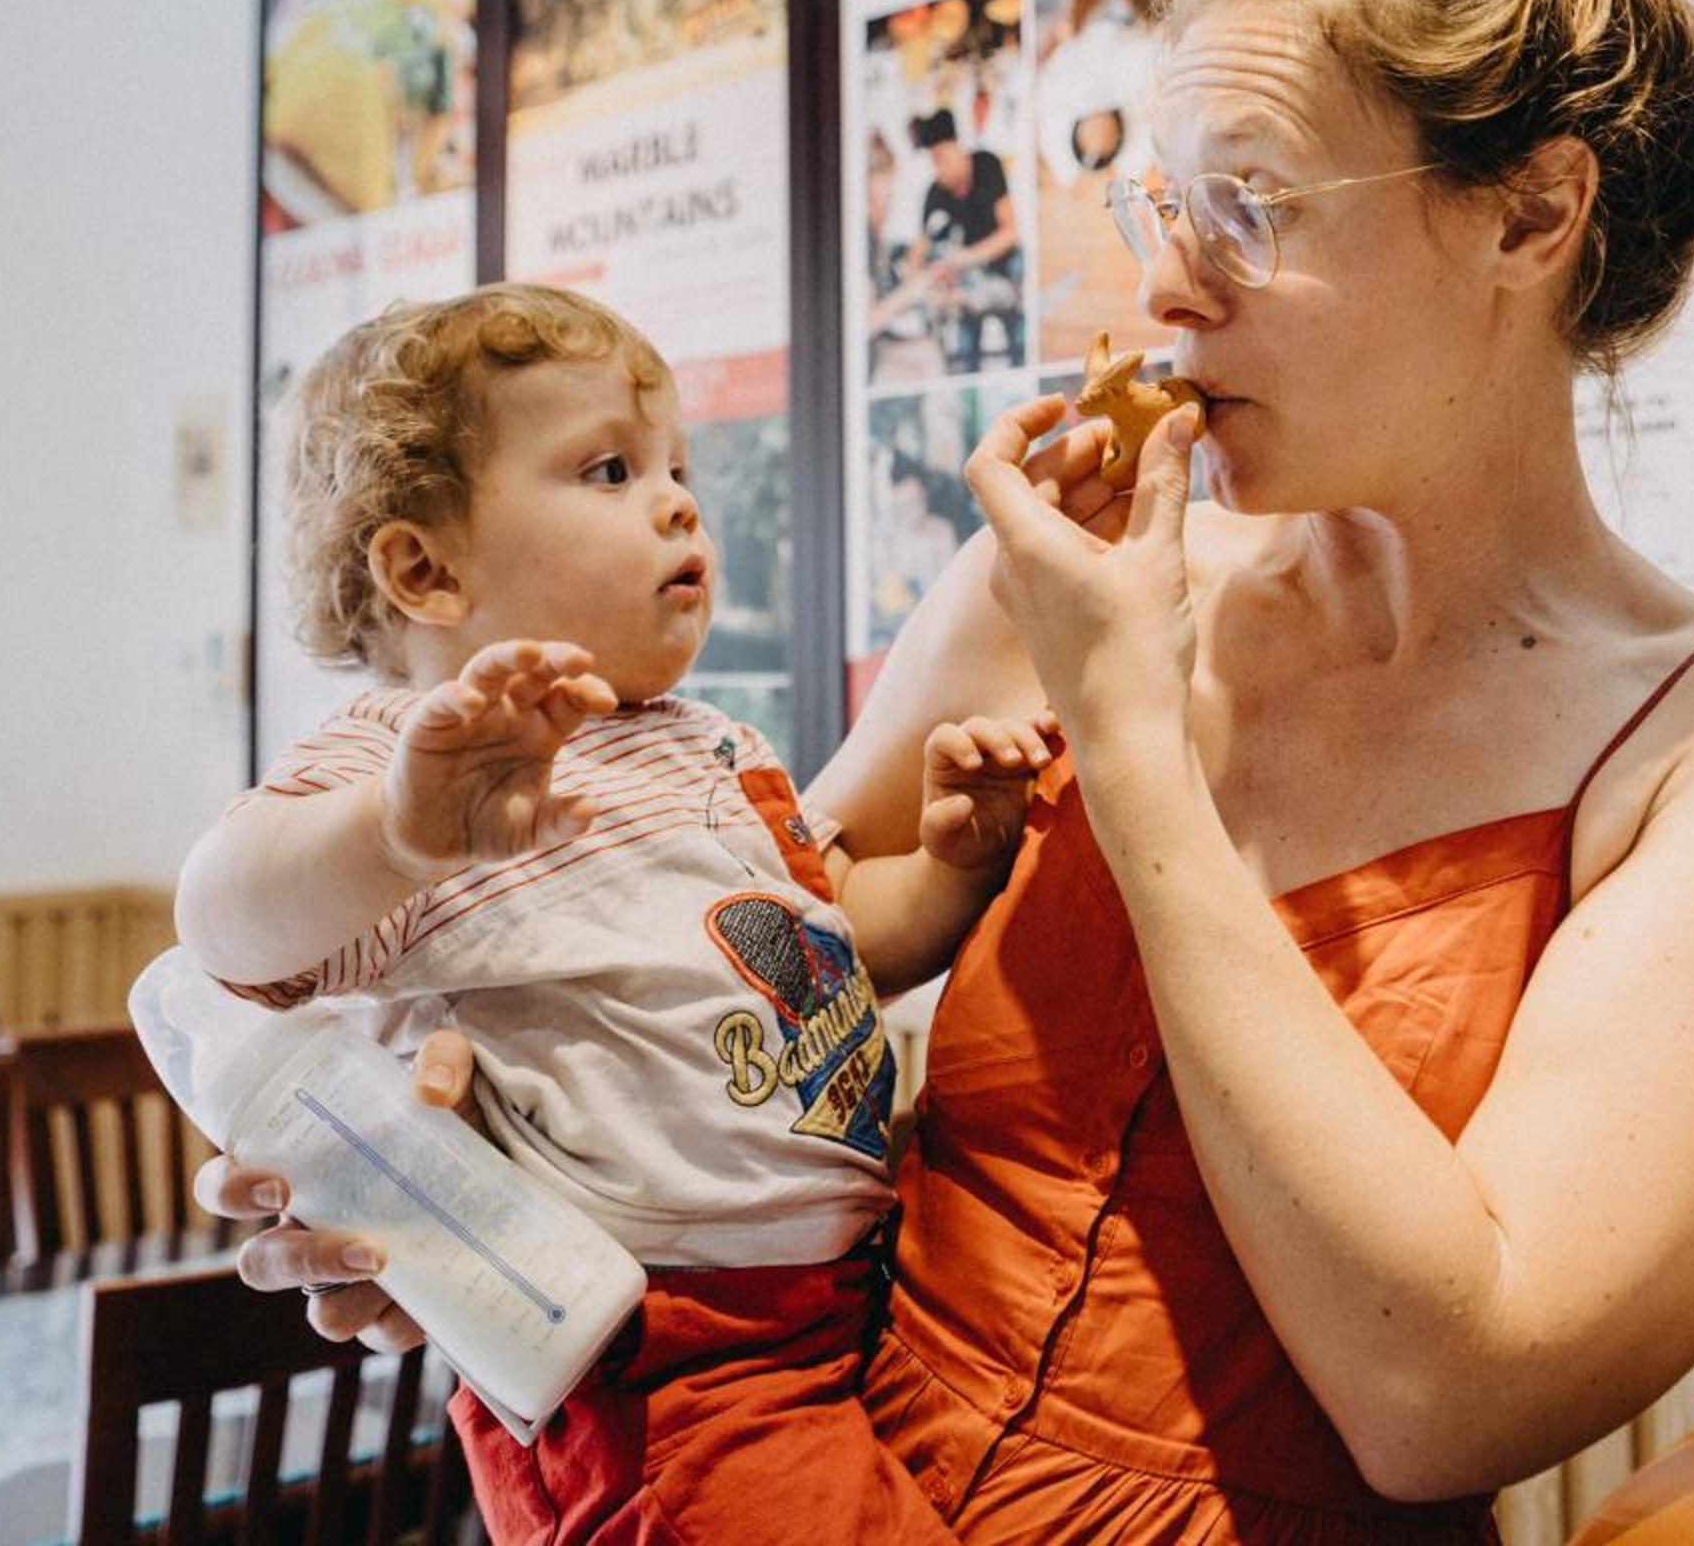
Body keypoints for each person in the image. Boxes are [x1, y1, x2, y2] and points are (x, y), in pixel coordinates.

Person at [203, 0, 1694, 1541]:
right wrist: (471, 1152)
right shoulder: (1065, 572)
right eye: (1161, 209)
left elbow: (1447, 1394)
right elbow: (727, 964)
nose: (1163, 292)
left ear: (1532, 212)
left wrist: (1136, 739)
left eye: (1251, 207)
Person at [174, 282, 1059, 1541]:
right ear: (426, 568)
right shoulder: (421, 764)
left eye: (677, 466)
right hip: (652, 1363)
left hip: (835, 1298)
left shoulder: (706, 745)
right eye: (609, 469)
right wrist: (390, 833)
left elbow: (839, 949)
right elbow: (220, 920)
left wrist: (958, 863)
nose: (680, 500)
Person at [904, 107, 1023, 369]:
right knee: (963, 345)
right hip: (967, 282)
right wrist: (917, 281)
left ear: (957, 146)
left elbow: (1011, 233)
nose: (939, 169)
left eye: (942, 158)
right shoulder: (936, 192)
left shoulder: (986, 165)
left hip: (1005, 268)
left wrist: (966, 258)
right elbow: (919, 248)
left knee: (1019, 339)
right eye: (933, 161)